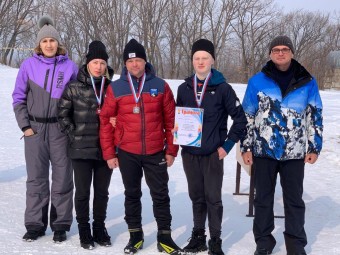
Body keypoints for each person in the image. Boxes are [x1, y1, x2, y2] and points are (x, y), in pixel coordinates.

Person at [240, 35, 323, 255]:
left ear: (292, 52)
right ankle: (264, 242)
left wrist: (314, 147)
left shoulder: (307, 81)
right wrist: (246, 147)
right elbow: (247, 115)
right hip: (263, 149)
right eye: (275, 49)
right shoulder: (257, 81)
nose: (280, 53)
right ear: (270, 53)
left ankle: (295, 245)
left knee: (294, 200)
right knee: (263, 199)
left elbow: (315, 115)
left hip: (294, 152)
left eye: (285, 49)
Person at [99, 39, 182, 255]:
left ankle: (165, 236)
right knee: (132, 194)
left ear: (145, 61)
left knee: (160, 194)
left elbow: (171, 121)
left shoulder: (160, 85)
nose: (135, 64)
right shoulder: (116, 88)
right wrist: (109, 153)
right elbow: (106, 122)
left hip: (155, 151)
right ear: (125, 64)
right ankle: (135, 235)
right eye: (130, 61)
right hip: (127, 152)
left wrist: (171, 150)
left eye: (138, 60)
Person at [176, 39, 247, 255]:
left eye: (204, 58)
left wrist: (227, 146)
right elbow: (178, 117)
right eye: (196, 58)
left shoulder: (223, 88)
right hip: (190, 153)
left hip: (213, 154)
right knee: (196, 196)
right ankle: (199, 236)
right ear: (192, 60)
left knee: (213, 198)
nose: (200, 61)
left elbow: (241, 119)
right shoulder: (184, 88)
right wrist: (175, 131)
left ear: (212, 60)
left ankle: (215, 239)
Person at [12, 15, 78, 243]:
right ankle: (35, 224)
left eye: (52, 40)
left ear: (58, 43)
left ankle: (60, 224)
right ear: (38, 44)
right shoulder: (28, 65)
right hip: (35, 130)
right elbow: (18, 97)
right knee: (36, 179)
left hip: (60, 131)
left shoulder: (70, 67)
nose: (49, 45)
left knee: (62, 178)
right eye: (44, 41)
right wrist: (25, 126)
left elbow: (77, 101)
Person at [58, 41, 114, 250]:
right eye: (95, 62)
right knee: (82, 192)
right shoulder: (73, 86)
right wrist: (74, 134)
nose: (99, 66)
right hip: (80, 149)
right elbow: (62, 114)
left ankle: (99, 228)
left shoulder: (111, 88)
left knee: (102, 192)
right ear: (87, 64)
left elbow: (120, 115)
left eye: (102, 63)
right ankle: (84, 229)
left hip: (104, 150)